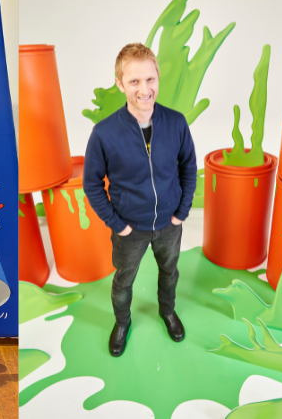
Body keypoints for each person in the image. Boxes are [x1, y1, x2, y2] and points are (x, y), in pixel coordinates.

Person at [83, 42, 197, 358]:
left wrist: (181, 212)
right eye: (134, 81)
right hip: (129, 230)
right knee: (123, 282)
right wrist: (118, 226)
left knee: (169, 273)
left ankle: (168, 312)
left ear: (158, 77)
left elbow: (189, 166)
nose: (143, 89)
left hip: (169, 225)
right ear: (120, 83)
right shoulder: (104, 133)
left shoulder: (176, 123)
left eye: (149, 79)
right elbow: (91, 184)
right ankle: (122, 323)